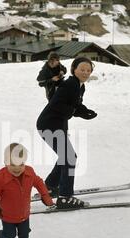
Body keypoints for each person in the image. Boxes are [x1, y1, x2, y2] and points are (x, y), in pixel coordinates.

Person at [36, 56, 97, 209]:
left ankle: (50, 186)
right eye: (82, 69)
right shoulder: (70, 84)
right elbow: (56, 104)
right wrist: (75, 111)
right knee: (69, 157)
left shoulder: (79, 86)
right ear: (74, 69)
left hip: (56, 124)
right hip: (49, 124)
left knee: (67, 156)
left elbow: (75, 104)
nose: (85, 72)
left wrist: (84, 111)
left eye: (88, 70)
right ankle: (65, 197)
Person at [0, 143, 54, 238]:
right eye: (13, 164)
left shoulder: (29, 172)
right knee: (9, 234)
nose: (17, 168)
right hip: (7, 215)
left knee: (24, 233)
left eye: (21, 164)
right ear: (6, 162)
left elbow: (38, 182)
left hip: (24, 214)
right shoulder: (0, 177)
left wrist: (45, 195)